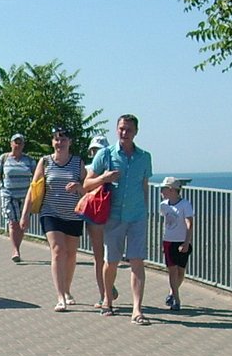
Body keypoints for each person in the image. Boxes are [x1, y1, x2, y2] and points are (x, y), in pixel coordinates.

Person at [84, 114, 153, 324]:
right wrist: (103, 178)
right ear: (116, 130)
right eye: (121, 129)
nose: (124, 133)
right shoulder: (106, 154)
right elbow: (87, 183)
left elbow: (144, 186)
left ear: (136, 132)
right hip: (113, 216)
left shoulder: (144, 157)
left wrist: (146, 211)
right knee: (111, 261)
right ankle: (107, 301)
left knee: (137, 261)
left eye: (129, 130)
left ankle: (137, 309)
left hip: (137, 216)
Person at [19, 126, 86, 311]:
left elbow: (88, 189)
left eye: (63, 140)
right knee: (58, 250)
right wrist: (25, 215)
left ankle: (67, 290)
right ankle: (60, 297)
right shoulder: (45, 162)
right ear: (52, 142)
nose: (60, 143)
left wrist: (79, 187)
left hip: (73, 214)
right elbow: (34, 189)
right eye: (56, 139)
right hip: (51, 213)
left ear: (70, 142)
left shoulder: (78, 162)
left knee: (71, 254)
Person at [0, 133, 35, 263]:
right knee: (12, 222)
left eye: (20, 142)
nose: (18, 145)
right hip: (8, 195)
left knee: (22, 224)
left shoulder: (29, 160)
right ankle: (15, 250)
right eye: (15, 142)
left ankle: (17, 247)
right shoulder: (3, 158)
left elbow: (37, 176)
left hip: (25, 196)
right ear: (11, 144)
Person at [84, 134, 114, 307]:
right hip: (95, 214)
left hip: (111, 214)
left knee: (110, 257)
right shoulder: (89, 169)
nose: (96, 153)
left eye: (99, 150)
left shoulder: (112, 166)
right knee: (98, 257)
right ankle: (103, 293)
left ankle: (108, 285)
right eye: (94, 150)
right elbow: (84, 189)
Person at [159, 176, 194, 309]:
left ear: (171, 190)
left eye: (164, 189)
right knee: (172, 270)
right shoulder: (163, 205)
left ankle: (172, 292)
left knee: (180, 271)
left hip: (181, 240)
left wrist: (186, 242)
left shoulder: (185, 204)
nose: (161, 192)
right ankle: (177, 299)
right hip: (168, 240)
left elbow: (189, 224)